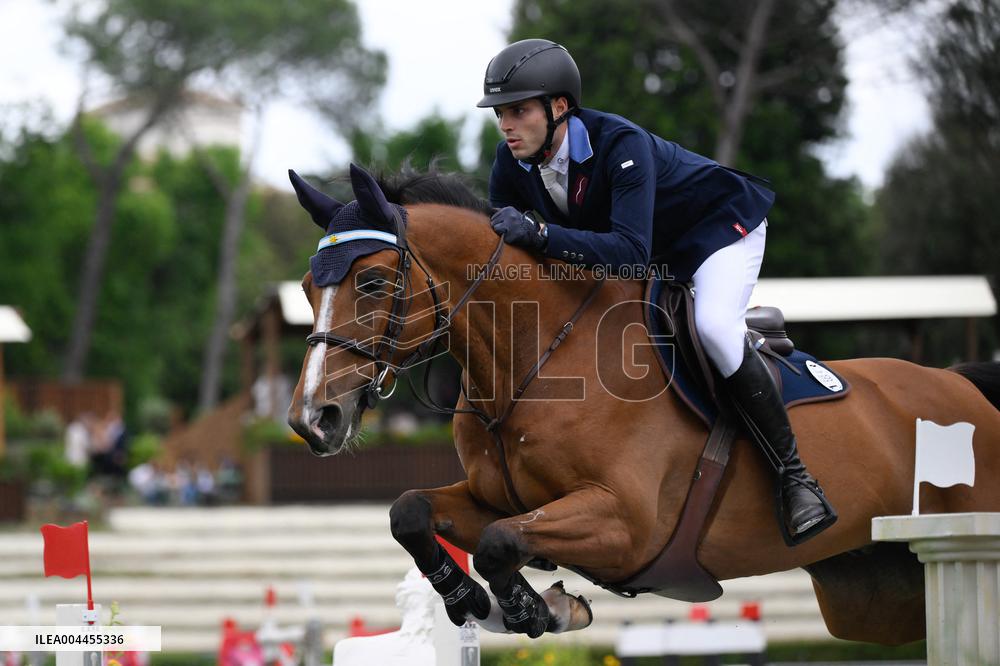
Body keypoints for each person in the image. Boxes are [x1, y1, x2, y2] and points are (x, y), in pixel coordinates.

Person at [477, 39, 835, 544]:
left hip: (717, 231)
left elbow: (627, 254)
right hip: (652, 248)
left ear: (559, 108)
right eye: (500, 114)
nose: (506, 125)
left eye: (518, 111)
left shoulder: (621, 145)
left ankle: (796, 479)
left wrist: (539, 235)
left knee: (712, 327)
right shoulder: (509, 160)